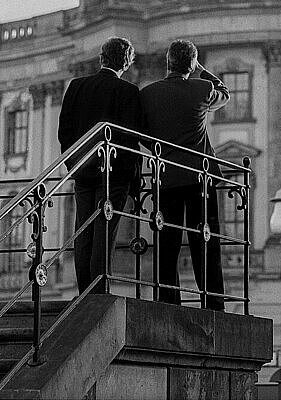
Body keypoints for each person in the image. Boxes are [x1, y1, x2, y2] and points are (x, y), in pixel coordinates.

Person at [140, 39, 230, 310]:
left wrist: (160, 150)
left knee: (166, 243)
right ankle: (213, 302)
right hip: (199, 178)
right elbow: (224, 93)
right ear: (191, 64)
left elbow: (141, 132)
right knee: (205, 240)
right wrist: (202, 70)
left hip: (165, 178)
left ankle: (167, 300)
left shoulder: (147, 94)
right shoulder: (202, 88)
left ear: (167, 63)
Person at [58, 37, 142, 294]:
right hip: (114, 175)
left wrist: (74, 163)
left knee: (83, 228)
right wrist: (134, 179)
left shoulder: (76, 86)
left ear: (101, 58)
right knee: (105, 229)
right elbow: (131, 138)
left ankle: (84, 288)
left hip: (83, 170)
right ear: (126, 64)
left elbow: (65, 131)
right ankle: (98, 290)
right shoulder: (128, 92)